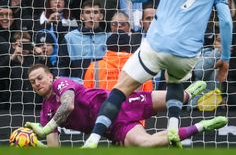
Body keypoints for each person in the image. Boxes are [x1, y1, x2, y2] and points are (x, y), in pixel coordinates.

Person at [83, 0, 233, 148]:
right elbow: (226, 22)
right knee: (176, 83)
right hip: (187, 53)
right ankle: (172, 130)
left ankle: (93, 139)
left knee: (121, 88)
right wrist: (225, 59)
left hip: (157, 44)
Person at [25, 64, 228, 148]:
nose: (37, 84)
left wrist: (45, 129)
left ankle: (188, 93)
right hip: (114, 129)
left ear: (51, 77)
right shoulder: (45, 112)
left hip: (120, 103)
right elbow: (54, 148)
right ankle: (202, 126)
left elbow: (68, 105)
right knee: (146, 144)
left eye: (40, 78)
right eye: (33, 82)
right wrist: (37, 145)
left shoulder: (62, 83)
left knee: (176, 98)